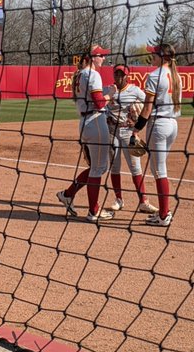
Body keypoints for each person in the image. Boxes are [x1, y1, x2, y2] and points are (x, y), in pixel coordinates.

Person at [56, 45, 115, 222]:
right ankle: (93, 211)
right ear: (92, 57)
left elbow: (91, 97)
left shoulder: (80, 73)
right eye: (101, 56)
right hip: (95, 122)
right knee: (98, 168)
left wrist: (105, 93)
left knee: (98, 167)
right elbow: (99, 103)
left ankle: (67, 194)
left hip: (85, 122)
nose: (103, 59)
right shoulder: (93, 74)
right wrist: (110, 95)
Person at [133, 43, 182, 227]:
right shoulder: (176, 75)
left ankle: (163, 215)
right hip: (172, 125)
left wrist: (136, 129)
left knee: (159, 171)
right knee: (157, 169)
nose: (151, 56)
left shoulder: (154, 76)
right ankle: (163, 213)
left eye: (154, 53)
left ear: (163, 57)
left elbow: (147, 107)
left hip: (158, 125)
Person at [104, 62, 156, 214]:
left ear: (127, 76)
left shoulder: (134, 90)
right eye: (116, 74)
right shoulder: (109, 89)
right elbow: (102, 105)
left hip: (128, 132)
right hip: (111, 131)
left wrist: (137, 121)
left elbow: (149, 103)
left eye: (121, 74)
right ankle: (118, 199)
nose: (119, 77)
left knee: (135, 167)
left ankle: (143, 201)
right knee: (114, 167)